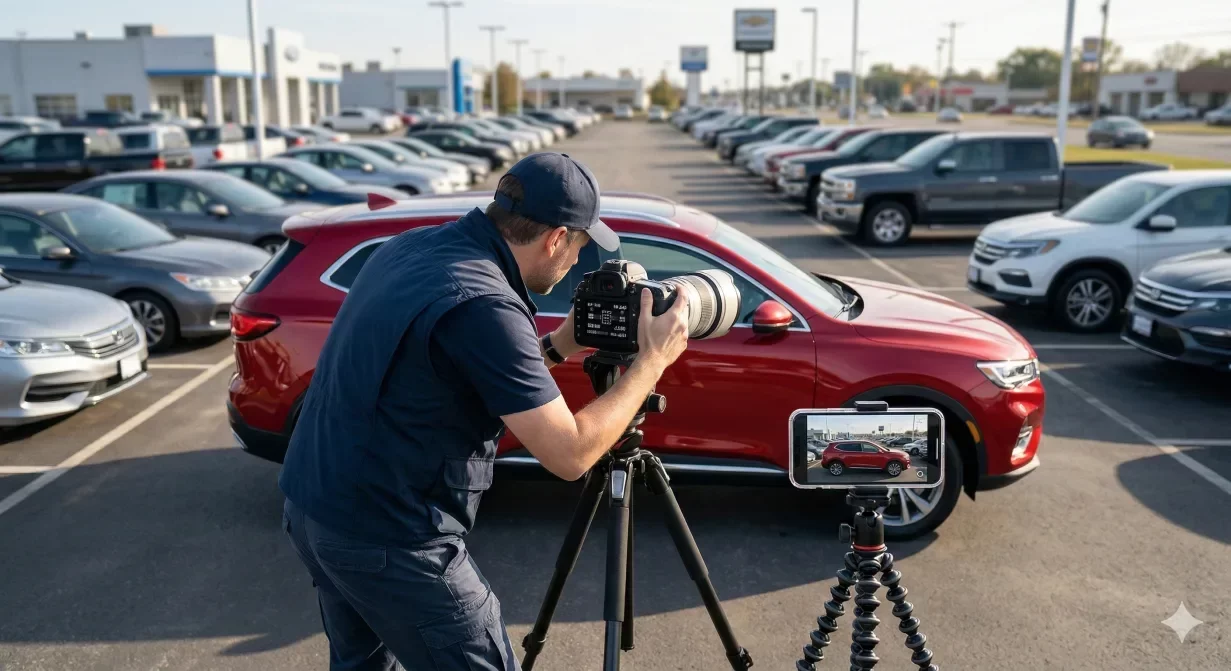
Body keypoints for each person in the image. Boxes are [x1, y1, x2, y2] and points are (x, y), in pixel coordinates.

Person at [278, 152, 690, 671]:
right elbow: (569, 454)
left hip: (316, 510)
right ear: (556, 238)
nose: (576, 263)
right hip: (392, 537)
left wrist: (560, 345)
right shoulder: (486, 303)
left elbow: (457, 367)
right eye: (580, 246)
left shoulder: (413, 248)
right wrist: (653, 360)